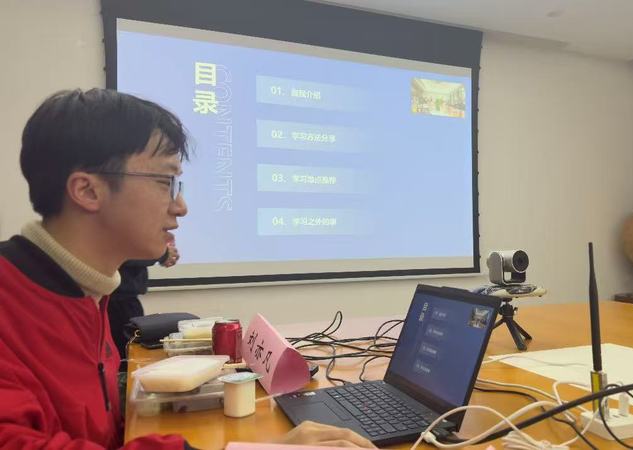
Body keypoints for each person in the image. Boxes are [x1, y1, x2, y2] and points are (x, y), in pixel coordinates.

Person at [0, 88, 374, 449]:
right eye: (165, 182)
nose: (181, 206)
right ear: (87, 191)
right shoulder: (13, 305)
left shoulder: (87, 295)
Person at [108, 241, 180, 372]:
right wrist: (160, 253)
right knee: (125, 362)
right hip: (115, 302)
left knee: (129, 359)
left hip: (121, 300)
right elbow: (118, 249)